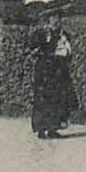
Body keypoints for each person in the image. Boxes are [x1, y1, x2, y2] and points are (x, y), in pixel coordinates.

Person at [28, 8, 75, 138]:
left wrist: (66, 50)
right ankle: (41, 129)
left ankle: (53, 128)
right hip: (44, 70)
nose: (56, 20)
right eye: (53, 17)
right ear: (48, 19)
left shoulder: (64, 35)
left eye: (59, 18)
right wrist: (41, 48)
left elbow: (69, 54)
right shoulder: (40, 33)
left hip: (58, 70)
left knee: (57, 99)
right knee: (42, 99)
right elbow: (32, 50)